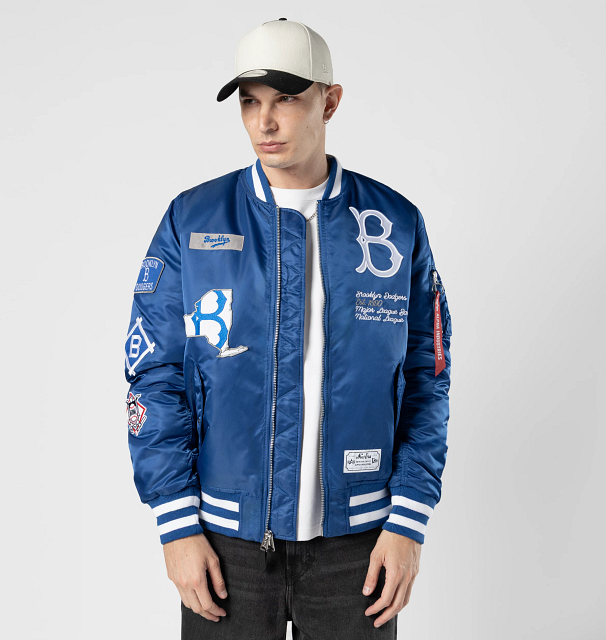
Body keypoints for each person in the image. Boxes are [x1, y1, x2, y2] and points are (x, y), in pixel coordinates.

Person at [123, 17, 452, 639]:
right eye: (250, 102)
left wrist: (409, 520)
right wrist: (176, 524)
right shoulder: (192, 220)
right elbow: (154, 374)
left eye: (286, 100)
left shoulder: (394, 223)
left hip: (361, 543)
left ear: (330, 101)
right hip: (225, 544)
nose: (264, 122)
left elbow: (427, 376)